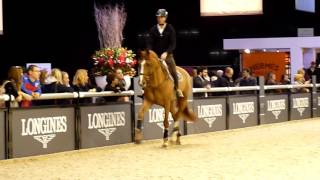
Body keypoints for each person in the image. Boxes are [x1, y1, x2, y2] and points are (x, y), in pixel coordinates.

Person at [146, 9, 183, 98]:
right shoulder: (153, 29)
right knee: (147, 69)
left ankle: (177, 88)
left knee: (173, 70)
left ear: (165, 18)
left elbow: (173, 44)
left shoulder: (170, 28)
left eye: (161, 17)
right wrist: (149, 51)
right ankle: (145, 89)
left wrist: (166, 52)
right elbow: (149, 42)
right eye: (158, 17)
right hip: (156, 56)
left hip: (167, 55)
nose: (159, 18)